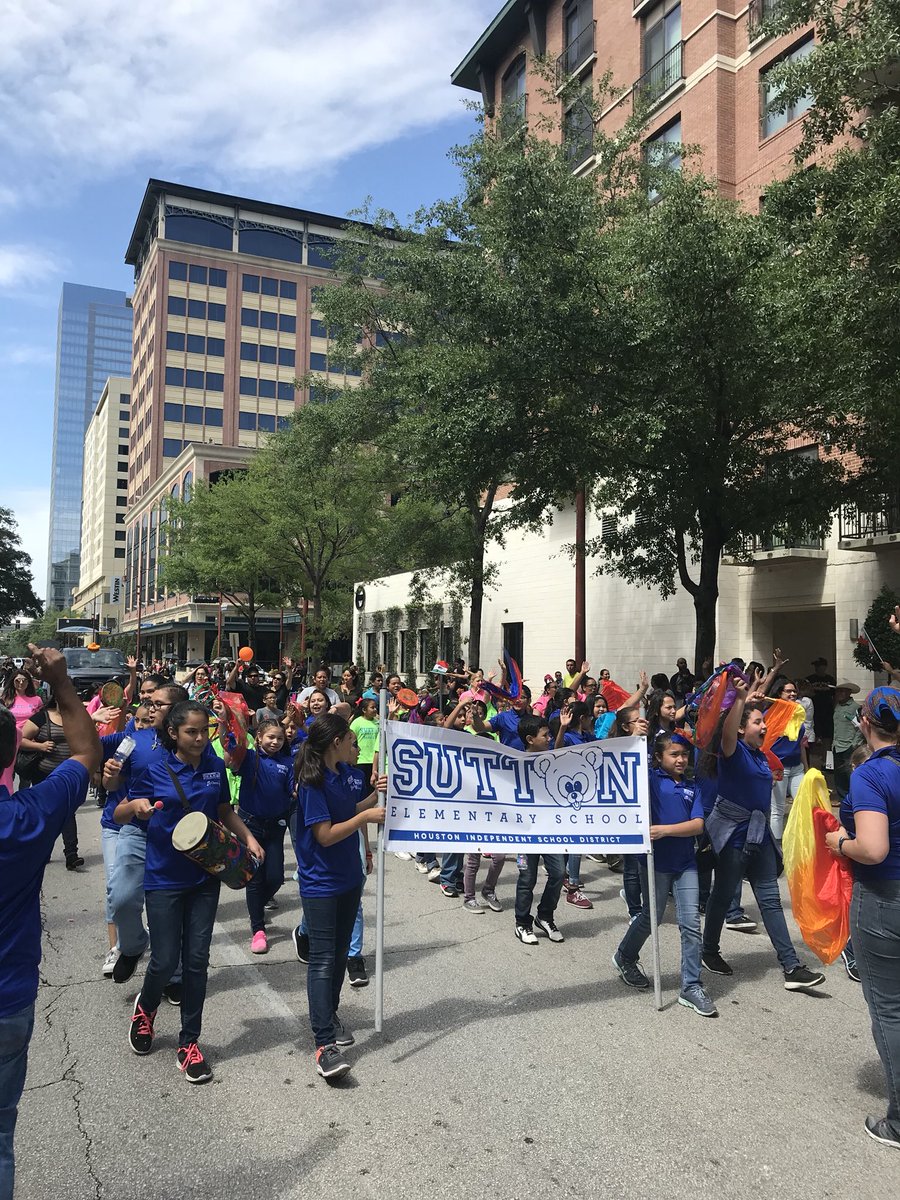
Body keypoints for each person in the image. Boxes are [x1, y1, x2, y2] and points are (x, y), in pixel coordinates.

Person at [115, 701, 263, 1083]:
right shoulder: (153, 766)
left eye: (204, 731)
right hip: (163, 878)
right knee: (164, 961)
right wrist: (136, 805)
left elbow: (222, 809)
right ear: (174, 734)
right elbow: (119, 812)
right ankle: (146, 1008)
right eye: (191, 732)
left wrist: (247, 837)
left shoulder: (214, 764)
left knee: (196, 961)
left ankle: (189, 1043)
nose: (199, 738)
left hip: (204, 878)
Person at [0, 644, 100, 1200]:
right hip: (7, 1001)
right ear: (12, 756)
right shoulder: (26, 818)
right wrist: (61, 680)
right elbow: (85, 755)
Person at [701, 675, 826, 992]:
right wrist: (741, 700)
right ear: (742, 728)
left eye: (763, 722)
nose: (765, 726)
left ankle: (791, 966)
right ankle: (708, 950)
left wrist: (757, 698)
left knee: (770, 900)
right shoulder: (734, 752)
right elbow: (728, 732)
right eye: (758, 722)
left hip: (760, 839)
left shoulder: (759, 755)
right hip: (732, 839)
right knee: (721, 897)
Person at [826, 685, 900, 1148]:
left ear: (865, 724)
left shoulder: (869, 775)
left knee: (890, 1009)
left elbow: (872, 848)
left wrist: (839, 843)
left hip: (883, 899)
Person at [293, 713, 385, 1080]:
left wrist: (376, 793)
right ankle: (323, 1043)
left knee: (338, 956)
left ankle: (329, 1013)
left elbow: (354, 810)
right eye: (351, 741)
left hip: (349, 880)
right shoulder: (311, 782)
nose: (357, 746)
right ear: (336, 743)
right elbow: (326, 835)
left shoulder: (347, 775)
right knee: (323, 960)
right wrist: (366, 819)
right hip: (321, 884)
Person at [613, 733, 716, 1016]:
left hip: (686, 864)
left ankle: (691, 986)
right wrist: (637, 735)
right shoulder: (649, 781)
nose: (681, 759)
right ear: (658, 757)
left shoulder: (693, 787)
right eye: (673, 754)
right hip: (655, 863)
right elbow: (627, 768)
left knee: (691, 924)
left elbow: (697, 825)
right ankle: (625, 956)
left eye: (684, 754)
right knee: (652, 917)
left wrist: (664, 830)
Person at [222, 718, 293, 953]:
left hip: (275, 826)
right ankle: (258, 928)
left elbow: (293, 790)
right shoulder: (249, 758)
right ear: (259, 737)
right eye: (271, 737)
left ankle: (257, 906)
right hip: (250, 824)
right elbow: (230, 750)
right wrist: (225, 721)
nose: (275, 741)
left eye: (279, 738)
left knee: (275, 877)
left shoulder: (287, 762)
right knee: (255, 878)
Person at [513, 716, 566, 945]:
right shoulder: (514, 762)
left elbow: (560, 752)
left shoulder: (550, 759)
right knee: (528, 878)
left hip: (549, 831)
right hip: (524, 834)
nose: (549, 738)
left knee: (558, 872)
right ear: (530, 739)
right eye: (545, 735)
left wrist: (563, 727)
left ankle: (545, 916)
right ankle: (522, 923)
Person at [20, 692, 85, 870]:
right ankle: (44, 850)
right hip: (43, 775)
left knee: (68, 812)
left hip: (67, 776)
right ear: (56, 698)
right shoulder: (42, 717)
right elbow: (21, 739)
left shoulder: (75, 718)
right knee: (46, 814)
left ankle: (71, 855)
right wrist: (39, 746)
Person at [769, 678, 809, 840]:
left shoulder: (798, 713)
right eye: (788, 691)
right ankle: (776, 848)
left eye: (794, 691)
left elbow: (801, 745)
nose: (793, 694)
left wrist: (806, 768)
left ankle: (800, 842)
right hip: (779, 769)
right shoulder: (771, 714)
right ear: (780, 693)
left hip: (797, 767)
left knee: (803, 805)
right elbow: (763, 745)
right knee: (778, 810)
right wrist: (768, 769)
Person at [831, 679, 862, 801]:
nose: (839, 694)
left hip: (849, 745)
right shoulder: (837, 707)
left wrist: (854, 744)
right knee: (838, 774)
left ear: (849, 693)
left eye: (842, 691)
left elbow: (860, 727)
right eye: (838, 691)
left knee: (850, 773)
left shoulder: (856, 708)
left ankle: (854, 799)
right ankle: (842, 799)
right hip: (837, 745)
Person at [805, 657, 837, 759]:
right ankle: (812, 759)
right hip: (814, 710)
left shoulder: (830, 679)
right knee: (813, 736)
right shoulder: (810, 679)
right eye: (817, 666)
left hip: (827, 710)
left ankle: (827, 761)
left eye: (820, 666)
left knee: (828, 737)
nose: (818, 668)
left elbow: (834, 695)